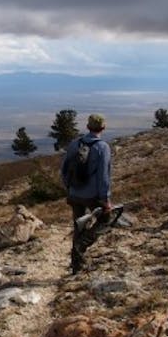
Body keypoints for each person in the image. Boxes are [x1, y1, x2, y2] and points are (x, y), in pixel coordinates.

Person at [60, 113, 113, 274]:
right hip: (92, 196)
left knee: (79, 225)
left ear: (88, 127)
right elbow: (104, 176)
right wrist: (105, 200)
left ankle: (76, 266)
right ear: (103, 127)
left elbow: (63, 169)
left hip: (74, 193)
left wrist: (69, 189)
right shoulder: (102, 147)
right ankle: (81, 246)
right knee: (105, 220)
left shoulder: (75, 143)